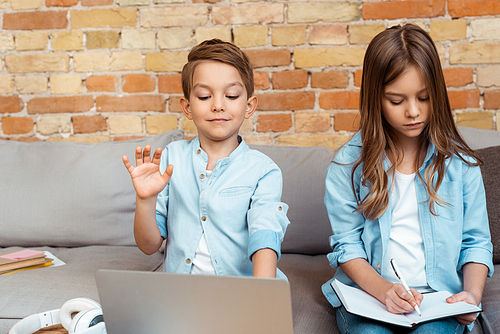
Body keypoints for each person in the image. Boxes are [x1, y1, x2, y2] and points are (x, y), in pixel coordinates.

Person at [322, 24, 493, 333]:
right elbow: (347, 246)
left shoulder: (461, 163)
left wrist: (472, 294)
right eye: (397, 101)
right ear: (376, 99)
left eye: (424, 98)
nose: (413, 112)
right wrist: (384, 290)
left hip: (438, 301)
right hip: (370, 299)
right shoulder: (347, 164)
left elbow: (476, 242)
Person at [122, 39, 290, 278]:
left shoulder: (263, 170)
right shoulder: (172, 157)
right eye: (204, 96)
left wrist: (260, 299)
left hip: (240, 293)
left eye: (231, 95)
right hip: (182, 294)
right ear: (187, 107)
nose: (218, 105)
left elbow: (265, 237)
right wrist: (145, 199)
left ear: (249, 106)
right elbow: (148, 246)